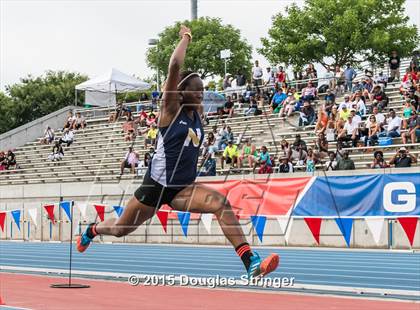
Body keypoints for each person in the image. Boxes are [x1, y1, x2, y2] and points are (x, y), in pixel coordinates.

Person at [77, 25, 279, 279]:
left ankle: (250, 262)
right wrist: (187, 37)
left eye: (203, 89)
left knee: (221, 203)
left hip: (182, 189)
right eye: (196, 89)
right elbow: (174, 66)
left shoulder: (198, 114)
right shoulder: (170, 112)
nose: (201, 93)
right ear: (181, 94)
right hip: (155, 186)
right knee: (120, 229)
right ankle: (92, 230)